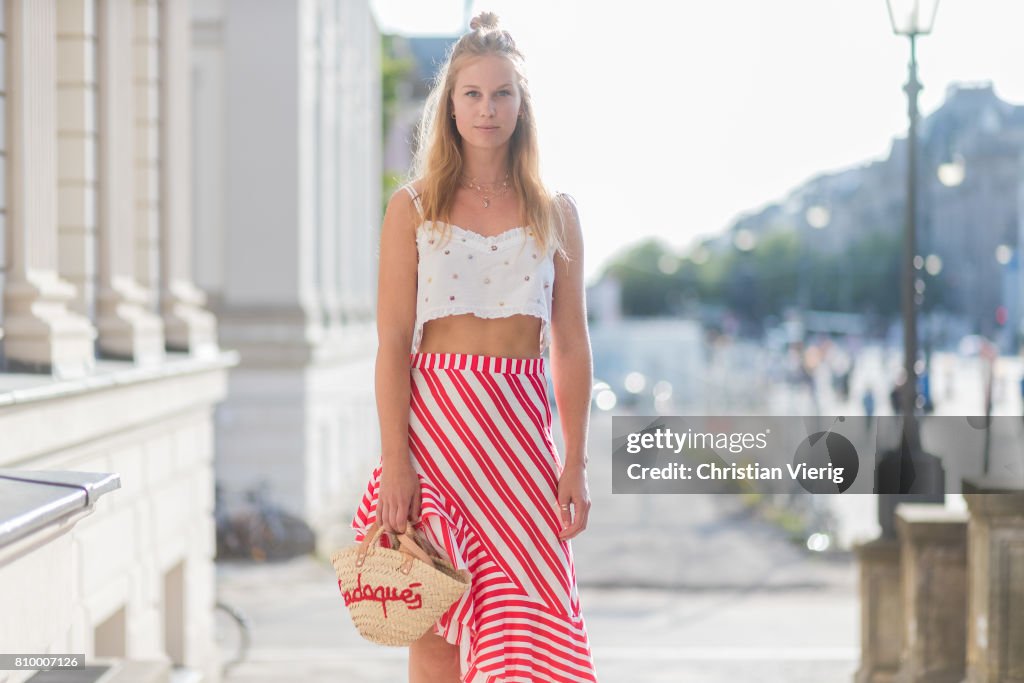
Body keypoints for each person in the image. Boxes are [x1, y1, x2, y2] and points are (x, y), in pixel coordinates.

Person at [349, 12, 598, 683]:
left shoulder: (556, 211)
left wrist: (572, 460)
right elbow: (394, 343)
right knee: (436, 624)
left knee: (533, 625)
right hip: (438, 441)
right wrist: (395, 460)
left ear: (522, 105)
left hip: (520, 445)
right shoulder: (413, 207)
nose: (488, 109)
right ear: (450, 105)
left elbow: (570, 345)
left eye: (502, 94)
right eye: (473, 94)